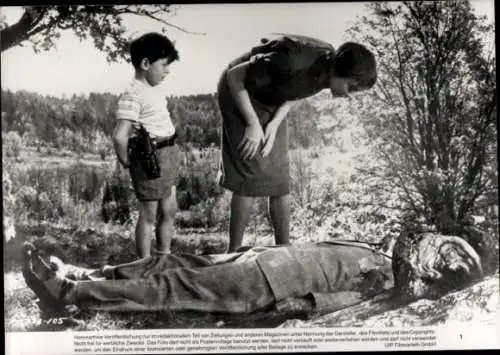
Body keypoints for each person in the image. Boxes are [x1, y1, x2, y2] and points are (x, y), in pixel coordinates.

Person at [217, 34, 377, 252]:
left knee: (280, 179)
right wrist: (253, 124)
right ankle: (232, 252)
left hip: (270, 97)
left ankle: (285, 250)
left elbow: (295, 92)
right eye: (351, 87)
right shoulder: (294, 60)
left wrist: (273, 124)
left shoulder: (328, 72)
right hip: (240, 91)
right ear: (341, 72)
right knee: (251, 170)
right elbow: (234, 76)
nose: (350, 95)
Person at [22, 240, 394, 315]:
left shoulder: (392, 279)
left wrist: (295, 307)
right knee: (171, 261)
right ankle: (87, 273)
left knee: (172, 287)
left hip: (266, 283)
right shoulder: (377, 250)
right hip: (262, 256)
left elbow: (338, 301)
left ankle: (70, 292)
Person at [112, 32, 181, 258]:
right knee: (149, 214)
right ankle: (144, 264)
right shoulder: (133, 94)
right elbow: (120, 136)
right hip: (150, 158)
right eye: (163, 65)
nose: (167, 71)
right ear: (145, 64)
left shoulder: (154, 89)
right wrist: (128, 161)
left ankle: (164, 256)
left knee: (169, 209)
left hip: (168, 153)